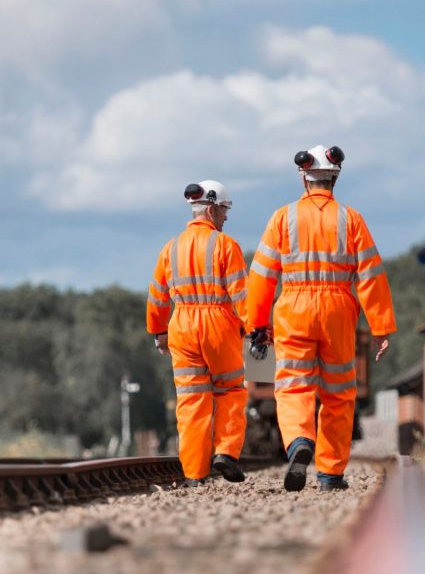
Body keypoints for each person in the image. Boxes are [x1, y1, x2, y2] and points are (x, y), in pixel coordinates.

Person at [246, 145, 396, 491]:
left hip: (294, 310)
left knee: (293, 385)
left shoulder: (282, 218)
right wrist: (380, 326)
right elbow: (371, 274)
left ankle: (299, 442)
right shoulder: (351, 219)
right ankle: (329, 473)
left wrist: (257, 324)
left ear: (304, 176)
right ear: (335, 176)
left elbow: (262, 275)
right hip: (338, 312)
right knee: (339, 394)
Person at [146, 180, 250, 486]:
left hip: (182, 327)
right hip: (218, 325)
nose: (226, 218)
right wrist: (257, 328)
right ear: (213, 207)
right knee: (230, 390)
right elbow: (242, 295)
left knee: (191, 401)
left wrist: (159, 332)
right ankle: (226, 453)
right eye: (225, 211)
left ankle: (194, 475)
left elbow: (156, 297)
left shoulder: (170, 248)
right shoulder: (225, 246)